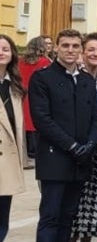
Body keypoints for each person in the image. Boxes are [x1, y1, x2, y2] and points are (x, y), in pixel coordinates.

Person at [29, 29, 97, 242]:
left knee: (67, 217)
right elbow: (41, 118)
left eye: (75, 46)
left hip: (81, 159)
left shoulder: (85, 80)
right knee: (50, 215)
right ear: (56, 48)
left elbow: (96, 117)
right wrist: (71, 145)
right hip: (55, 159)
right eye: (65, 45)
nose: (70, 50)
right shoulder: (42, 78)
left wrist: (90, 145)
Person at [66, 32, 97, 242]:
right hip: (75, 148)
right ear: (84, 52)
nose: (95, 54)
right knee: (75, 202)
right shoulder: (75, 76)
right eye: (91, 50)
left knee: (94, 204)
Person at [0, 34, 28, 242]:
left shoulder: (14, 86)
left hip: (7, 166)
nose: (1, 52)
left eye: (5, 48)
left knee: (2, 223)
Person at [18, 35, 51, 163]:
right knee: (35, 121)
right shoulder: (44, 62)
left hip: (21, 94)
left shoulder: (20, 61)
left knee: (24, 121)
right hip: (37, 95)